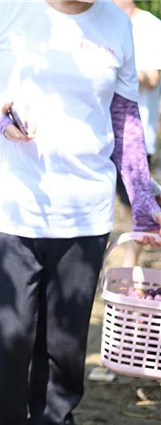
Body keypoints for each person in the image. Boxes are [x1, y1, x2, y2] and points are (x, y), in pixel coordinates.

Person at [0, 1, 161, 424]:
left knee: (63, 355)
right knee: (6, 346)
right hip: (9, 209)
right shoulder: (2, 7)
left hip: (86, 213)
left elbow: (124, 116)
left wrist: (142, 203)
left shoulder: (116, 22)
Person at [114, 0, 161, 267]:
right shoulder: (95, 19)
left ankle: (129, 271)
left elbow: (152, 77)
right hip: (102, 138)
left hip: (138, 136)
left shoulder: (151, 27)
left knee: (138, 209)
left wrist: (116, 75)